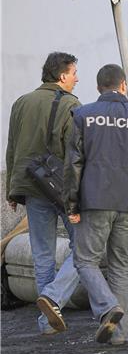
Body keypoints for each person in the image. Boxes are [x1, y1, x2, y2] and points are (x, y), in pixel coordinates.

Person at [64, 64, 128, 345]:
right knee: (120, 265)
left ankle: (108, 307)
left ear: (98, 89)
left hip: (95, 200)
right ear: (123, 86)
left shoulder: (83, 115)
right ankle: (121, 335)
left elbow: (73, 164)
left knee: (85, 261)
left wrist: (71, 204)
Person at [5, 52, 81, 335]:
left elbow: (12, 149)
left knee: (43, 255)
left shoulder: (21, 103)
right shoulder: (71, 105)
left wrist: (12, 190)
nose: (77, 78)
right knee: (84, 249)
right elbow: (76, 153)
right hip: (63, 189)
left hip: (31, 186)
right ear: (62, 76)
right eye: (74, 73)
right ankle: (55, 298)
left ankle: (46, 322)